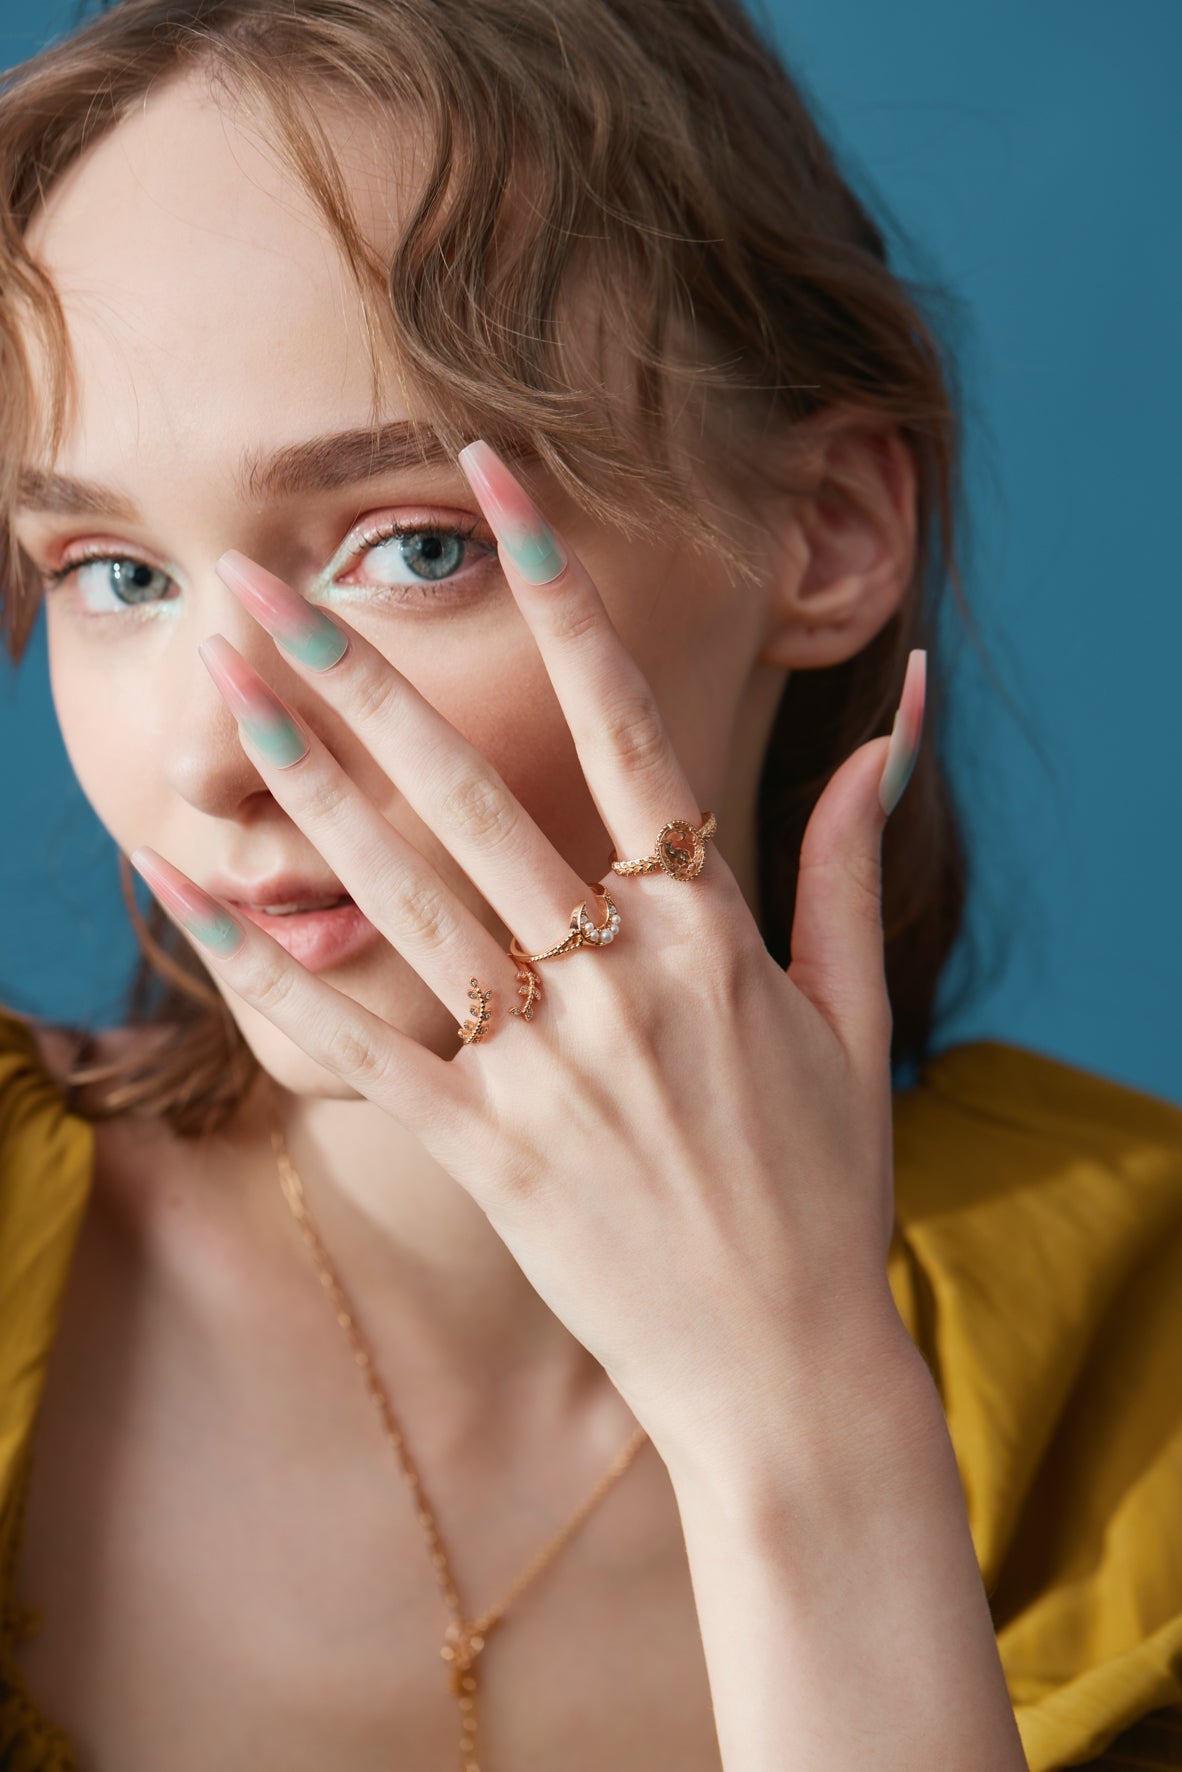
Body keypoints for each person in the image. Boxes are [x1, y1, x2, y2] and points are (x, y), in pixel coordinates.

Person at [0, 1, 1179, 1768]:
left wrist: (793, 1410)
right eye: (112, 573)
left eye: (411, 548)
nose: (209, 758)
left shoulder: (1141, 1334)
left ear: (827, 535)